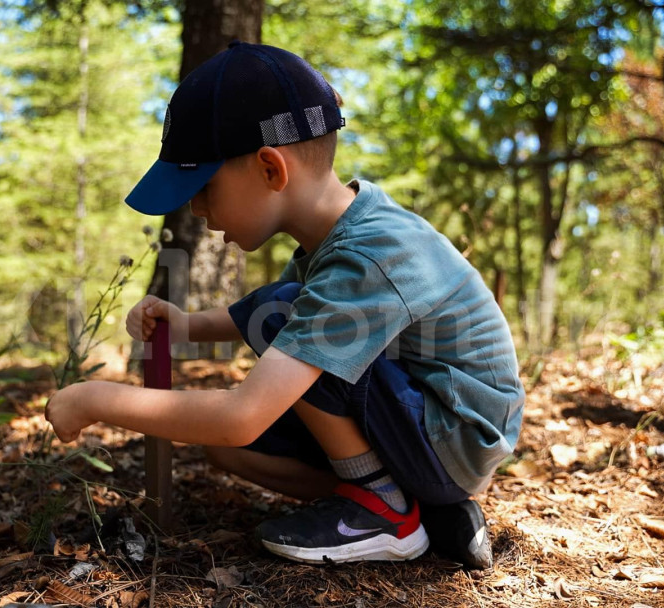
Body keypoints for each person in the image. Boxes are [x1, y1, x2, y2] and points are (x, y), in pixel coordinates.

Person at [46, 41, 524, 567]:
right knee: (229, 446)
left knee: (279, 322)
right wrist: (185, 327)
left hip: (453, 432)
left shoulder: (368, 254)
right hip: (419, 425)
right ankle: (421, 512)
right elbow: (247, 382)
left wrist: (95, 399)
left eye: (203, 187)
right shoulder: (335, 232)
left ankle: (382, 510)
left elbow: (242, 413)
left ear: (271, 169)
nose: (196, 209)